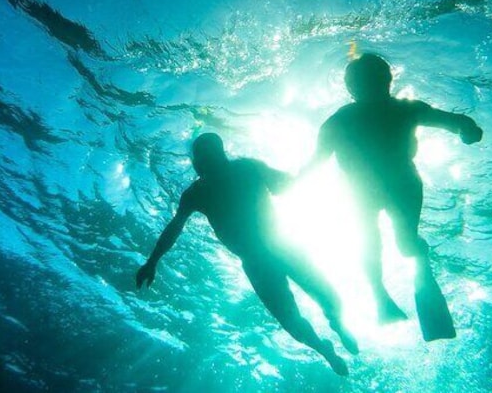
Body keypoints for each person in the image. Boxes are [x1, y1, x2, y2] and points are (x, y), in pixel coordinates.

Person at [136, 133, 357, 376]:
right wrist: (152, 261)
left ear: (219, 154)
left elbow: (285, 184)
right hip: (259, 260)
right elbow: (174, 228)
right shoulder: (197, 193)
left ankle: (339, 325)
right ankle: (324, 349)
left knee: (326, 297)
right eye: (202, 156)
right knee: (292, 320)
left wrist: (152, 262)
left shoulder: (245, 168)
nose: (205, 161)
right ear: (197, 162)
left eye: (209, 154)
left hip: (282, 246)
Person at [302, 53, 483, 341]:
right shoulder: (392, 111)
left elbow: (313, 165)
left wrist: (466, 128)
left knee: (380, 241)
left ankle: (385, 293)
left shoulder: (344, 119)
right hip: (392, 186)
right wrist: (467, 128)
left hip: (382, 188)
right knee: (393, 241)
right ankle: (390, 289)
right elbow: (453, 120)